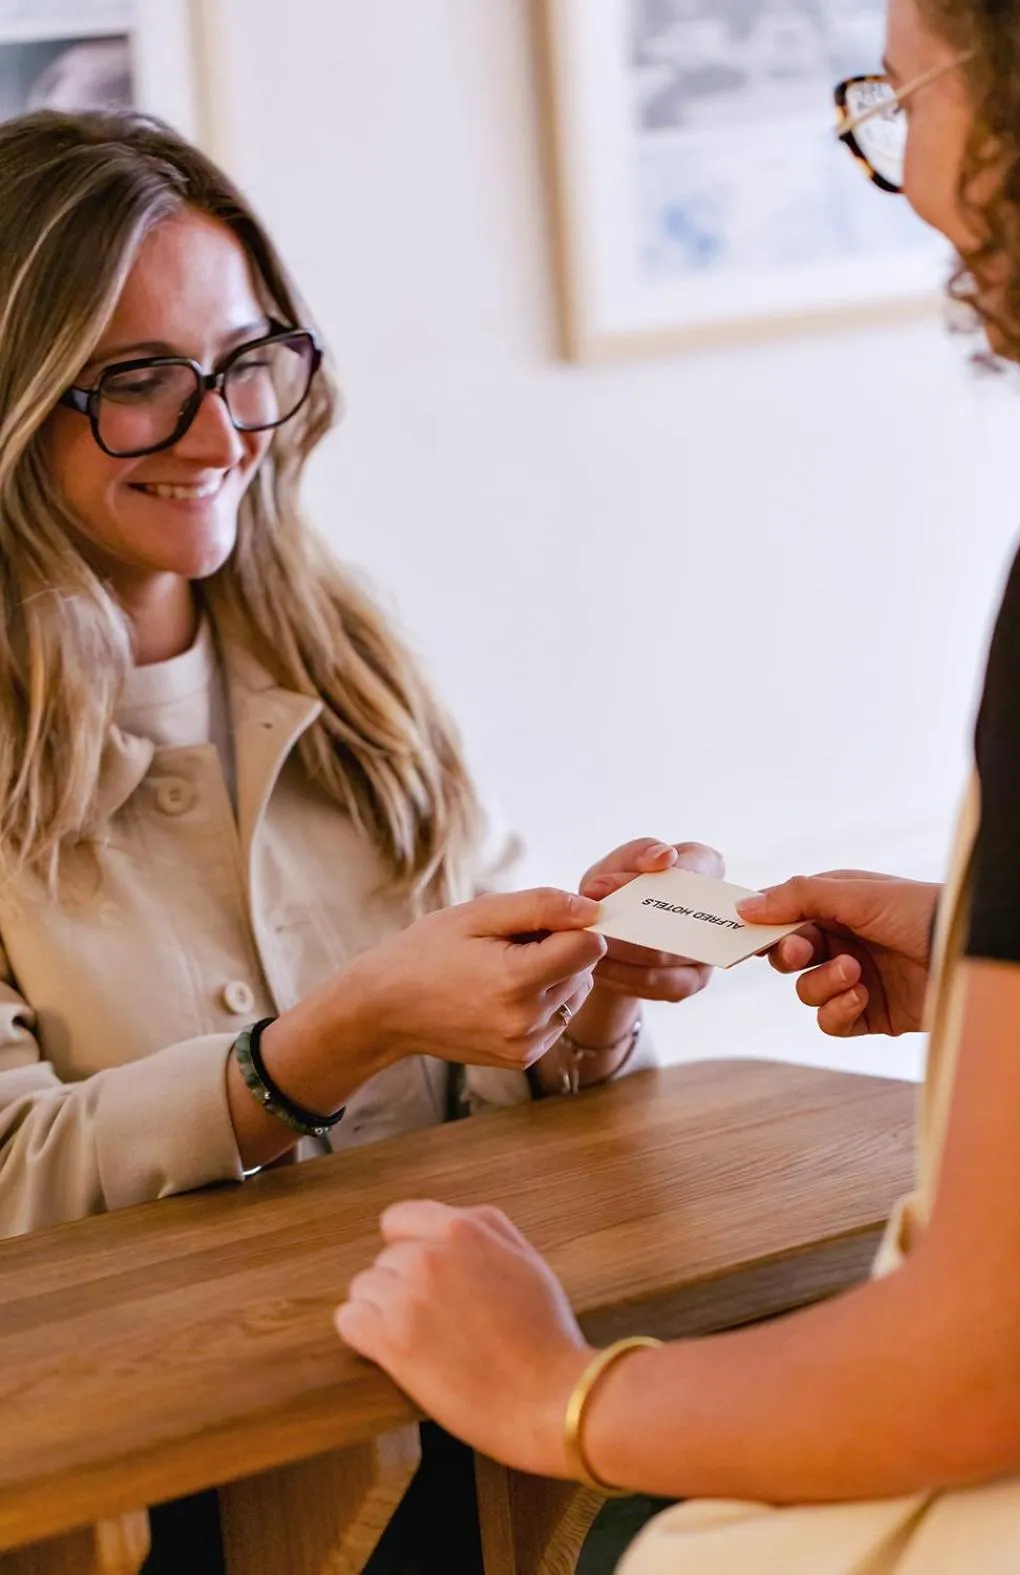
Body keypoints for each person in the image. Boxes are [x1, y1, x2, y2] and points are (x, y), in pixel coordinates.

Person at [337, 0, 1020, 1570]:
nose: (901, 167)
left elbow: (994, 1370)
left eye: (903, 94)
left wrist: (558, 1391)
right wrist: (1017, 963)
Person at [0, 109, 718, 1572]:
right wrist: (320, 1045)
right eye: (136, 381)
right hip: (143, 1495)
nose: (220, 435)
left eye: (247, 361)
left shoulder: (351, 667)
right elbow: (13, 1182)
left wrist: (589, 1015)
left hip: (450, 1433)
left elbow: (482, 1129)